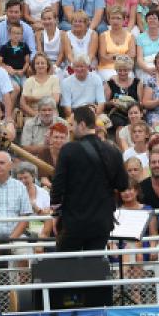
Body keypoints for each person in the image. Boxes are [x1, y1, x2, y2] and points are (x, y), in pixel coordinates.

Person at [51, 105, 128, 251]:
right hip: (102, 222)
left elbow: (57, 186)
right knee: (94, 262)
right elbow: (123, 184)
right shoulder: (113, 151)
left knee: (64, 262)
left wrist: (55, 215)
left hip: (74, 222)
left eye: (73, 125)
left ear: (82, 124)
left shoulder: (68, 150)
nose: (71, 129)